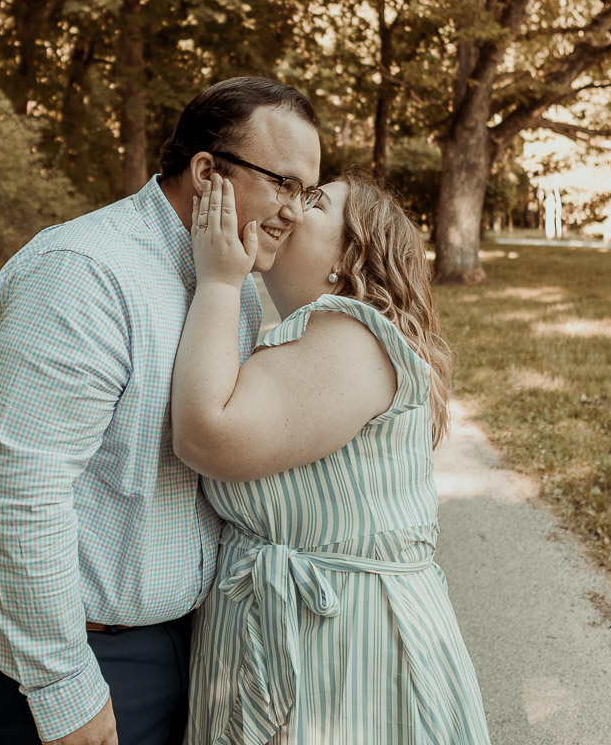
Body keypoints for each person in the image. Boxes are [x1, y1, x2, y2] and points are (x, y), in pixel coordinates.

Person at [0, 77, 323, 745]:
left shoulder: (229, 280)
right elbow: (23, 491)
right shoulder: (84, 271)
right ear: (207, 173)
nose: (295, 211)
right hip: (70, 654)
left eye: (308, 193)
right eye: (283, 183)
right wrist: (65, 691)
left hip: (179, 643)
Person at [172, 173, 492, 745]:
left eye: (315, 202)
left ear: (350, 258)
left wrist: (219, 282)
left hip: (344, 648)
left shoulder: (352, 337)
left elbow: (207, 436)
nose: (292, 208)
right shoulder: (311, 335)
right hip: (292, 628)